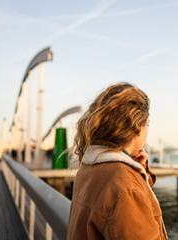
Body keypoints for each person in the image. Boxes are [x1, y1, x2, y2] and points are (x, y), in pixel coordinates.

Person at [67, 82, 167, 240]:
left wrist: (138, 173)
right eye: (146, 124)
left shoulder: (88, 167)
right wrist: (131, 178)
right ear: (135, 129)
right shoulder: (127, 188)